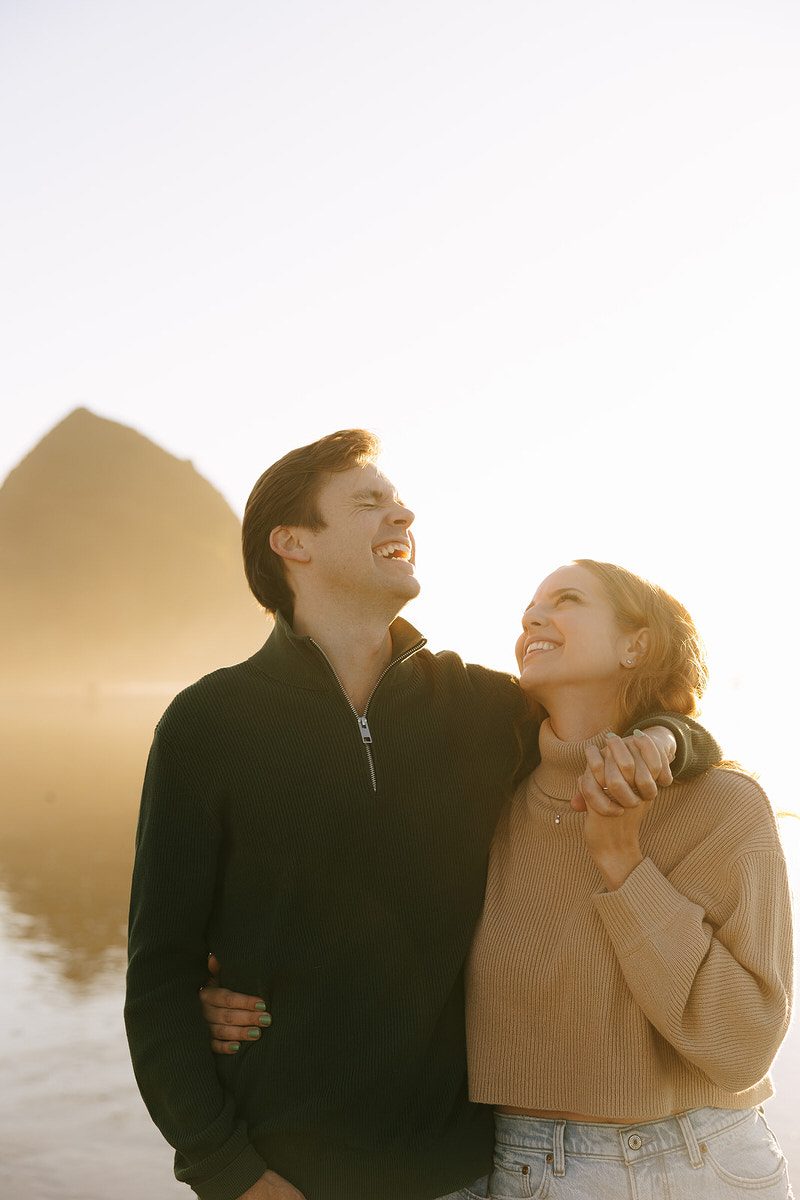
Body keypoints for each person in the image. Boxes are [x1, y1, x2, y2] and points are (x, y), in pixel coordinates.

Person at [125, 431, 720, 1200]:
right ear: (293, 543)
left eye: (399, 500)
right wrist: (227, 1171)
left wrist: (662, 740)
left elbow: (664, 725)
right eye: (369, 501)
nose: (402, 513)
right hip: (282, 1173)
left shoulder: (480, 708)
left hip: (464, 1173)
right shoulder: (207, 726)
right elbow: (159, 979)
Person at [465, 560, 794, 1198]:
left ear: (635, 644)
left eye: (566, 599)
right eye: (530, 607)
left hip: (713, 1164)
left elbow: (746, 1045)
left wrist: (623, 863)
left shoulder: (727, 807)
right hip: (533, 1170)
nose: (533, 616)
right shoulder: (489, 808)